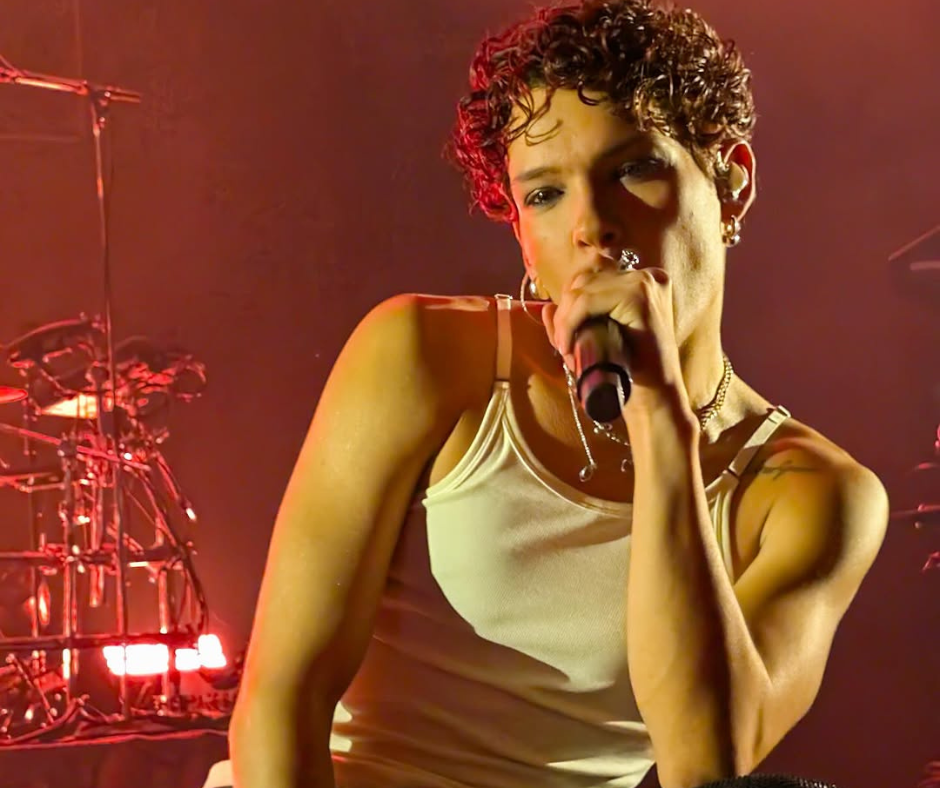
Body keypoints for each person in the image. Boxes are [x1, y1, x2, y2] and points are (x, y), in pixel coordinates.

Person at [225, 1, 889, 787]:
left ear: (732, 182)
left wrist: (660, 420)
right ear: (520, 235)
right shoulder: (424, 355)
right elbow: (280, 703)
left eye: (633, 169)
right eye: (545, 194)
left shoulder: (813, 494)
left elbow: (702, 768)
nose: (592, 226)